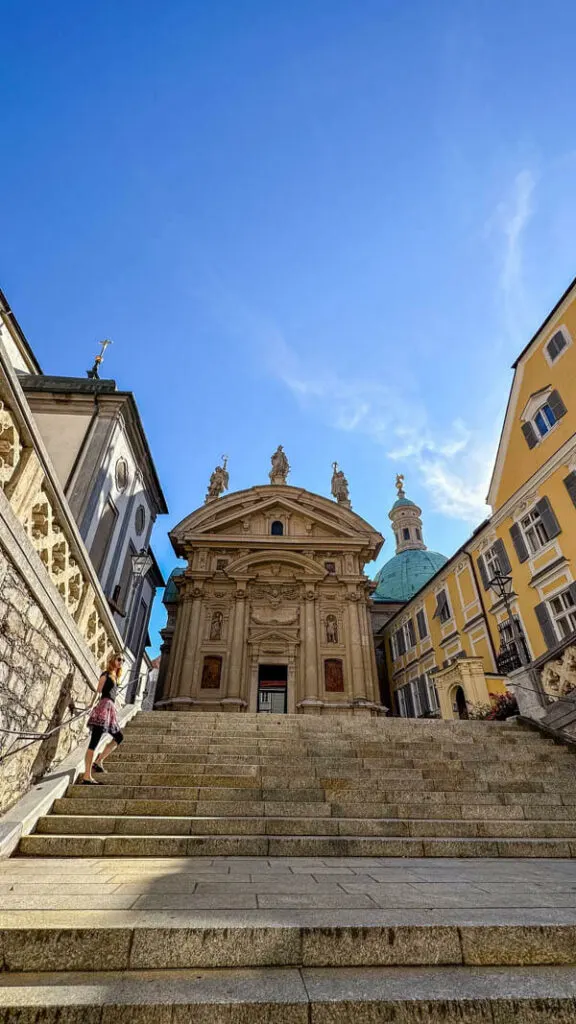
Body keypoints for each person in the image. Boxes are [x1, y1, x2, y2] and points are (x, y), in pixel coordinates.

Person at [82, 652, 125, 785]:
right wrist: (91, 705)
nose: (121, 662)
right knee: (94, 742)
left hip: (110, 710)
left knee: (119, 737)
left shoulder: (115, 677)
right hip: (103, 708)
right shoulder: (105, 675)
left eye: (123, 660)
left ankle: (99, 760)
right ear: (113, 660)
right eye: (119, 659)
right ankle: (87, 776)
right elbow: (98, 691)